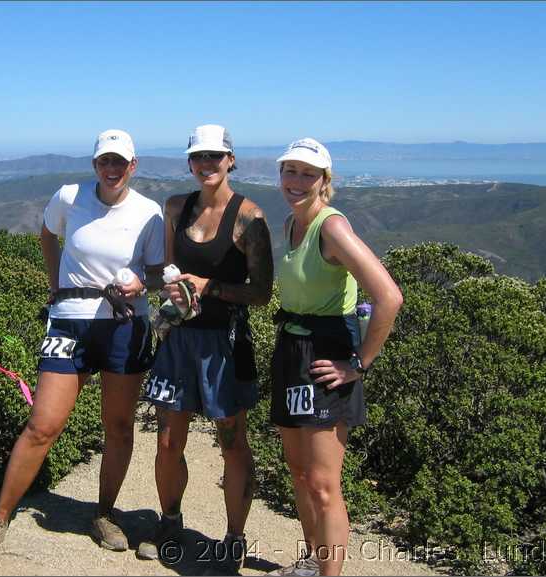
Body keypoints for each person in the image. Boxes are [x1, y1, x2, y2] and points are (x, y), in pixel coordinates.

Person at [0, 129, 165, 566]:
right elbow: (46, 235)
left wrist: (141, 283)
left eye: (120, 162)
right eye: (103, 162)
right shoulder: (69, 196)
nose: (111, 169)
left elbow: (156, 273)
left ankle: (104, 514)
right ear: (94, 164)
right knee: (42, 425)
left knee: (118, 427)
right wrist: (57, 287)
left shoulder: (149, 213)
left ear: (133, 166)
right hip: (71, 321)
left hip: (125, 325)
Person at [137, 124, 274, 574]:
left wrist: (208, 286)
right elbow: (168, 270)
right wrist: (154, 286)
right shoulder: (177, 207)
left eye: (216, 156)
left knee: (232, 444)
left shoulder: (249, 218)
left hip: (225, 344)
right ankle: (170, 522)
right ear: (190, 162)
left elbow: (261, 292)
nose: (207, 164)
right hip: (179, 338)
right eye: (199, 157)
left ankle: (234, 538)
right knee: (168, 440)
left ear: (231, 160)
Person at [266, 139, 403, 576]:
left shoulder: (331, 227)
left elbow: (388, 297)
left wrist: (358, 364)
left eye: (308, 174)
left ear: (325, 181)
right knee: (299, 471)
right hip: (293, 349)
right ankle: (311, 562)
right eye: (291, 171)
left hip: (327, 355)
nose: (297, 181)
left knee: (324, 484)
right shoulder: (290, 223)